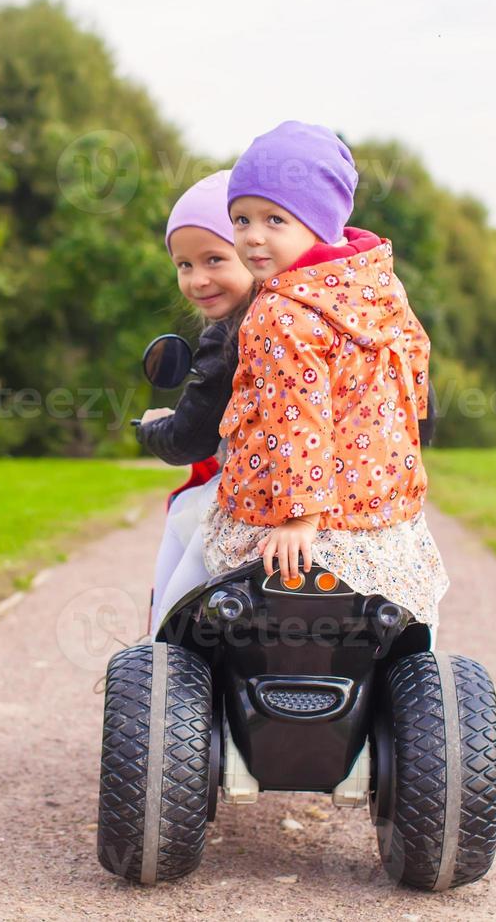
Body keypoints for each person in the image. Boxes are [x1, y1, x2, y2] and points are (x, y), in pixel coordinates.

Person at [200, 121, 450, 644]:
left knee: (203, 612)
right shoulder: (374, 281)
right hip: (380, 515)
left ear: (319, 221)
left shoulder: (280, 311)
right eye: (240, 219)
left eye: (275, 219)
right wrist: (404, 442)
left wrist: (299, 521)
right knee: (400, 641)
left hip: (298, 517)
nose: (253, 236)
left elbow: (296, 418)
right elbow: (415, 360)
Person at [135, 171, 256, 632]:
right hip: (346, 500)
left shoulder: (229, 336)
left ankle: (159, 652)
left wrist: (152, 429)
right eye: (184, 265)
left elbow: (190, 438)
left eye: (213, 259)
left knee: (182, 526)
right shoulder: (312, 317)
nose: (198, 279)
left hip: (255, 498)